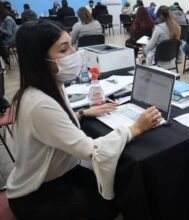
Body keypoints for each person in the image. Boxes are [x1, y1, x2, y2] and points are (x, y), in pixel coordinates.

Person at [6, 20, 162, 219]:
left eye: (71, 44)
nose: (74, 53)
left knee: (118, 183)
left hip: (60, 175)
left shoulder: (51, 84)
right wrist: (134, 128)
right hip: (36, 194)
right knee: (111, 203)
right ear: (39, 59)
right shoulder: (39, 103)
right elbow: (91, 151)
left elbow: (54, 126)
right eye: (63, 50)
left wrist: (83, 113)